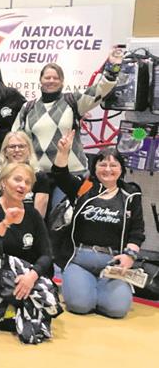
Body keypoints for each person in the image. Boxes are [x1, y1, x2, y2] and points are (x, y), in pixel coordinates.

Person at [51, 131, 145, 318]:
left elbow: (137, 231)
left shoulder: (131, 195)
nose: (108, 169)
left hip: (112, 264)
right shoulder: (84, 189)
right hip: (79, 260)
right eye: (102, 164)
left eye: (113, 165)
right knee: (80, 306)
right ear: (95, 168)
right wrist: (63, 152)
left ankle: (100, 290)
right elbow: (60, 175)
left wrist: (129, 257)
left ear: (121, 169)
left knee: (116, 310)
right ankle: (82, 287)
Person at [12, 48, 122, 174]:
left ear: (62, 81)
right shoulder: (28, 107)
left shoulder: (74, 101)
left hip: (71, 172)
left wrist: (113, 67)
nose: (51, 81)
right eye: (47, 77)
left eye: (56, 78)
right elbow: (14, 139)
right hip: (36, 174)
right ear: (40, 80)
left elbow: (101, 89)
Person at [0, 163, 53, 291]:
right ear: (3, 182)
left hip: (25, 275)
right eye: (17, 179)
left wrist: (31, 276)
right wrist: (5, 223)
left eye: (27, 182)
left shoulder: (33, 214)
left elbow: (46, 254)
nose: (22, 185)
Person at [0, 131, 50, 218]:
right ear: (5, 151)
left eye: (21, 146)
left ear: (29, 150)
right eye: (12, 147)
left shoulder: (40, 177)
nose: (17, 150)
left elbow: (39, 217)